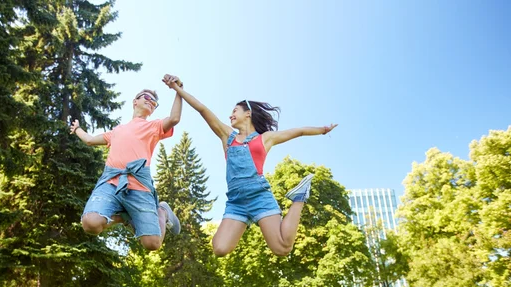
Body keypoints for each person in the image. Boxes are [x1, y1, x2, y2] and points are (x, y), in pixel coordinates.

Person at [167, 80, 337, 257]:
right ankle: (247, 219)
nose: (230, 115)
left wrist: (323, 130)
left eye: (234, 111)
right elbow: (202, 109)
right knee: (220, 249)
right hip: (236, 202)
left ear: (248, 113)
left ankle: (299, 197)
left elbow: (299, 131)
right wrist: (178, 90)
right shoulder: (227, 136)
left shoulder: (265, 138)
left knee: (283, 248)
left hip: (259, 197)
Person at [70, 75, 184, 251]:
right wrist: (77, 129)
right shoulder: (117, 131)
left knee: (153, 244)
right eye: (147, 97)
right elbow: (91, 140)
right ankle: (124, 216)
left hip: (139, 187)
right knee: (90, 224)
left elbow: (174, 118)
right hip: (111, 183)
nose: (152, 102)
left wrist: (178, 90)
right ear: (135, 101)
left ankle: (162, 211)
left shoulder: (154, 126)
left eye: (155, 103)